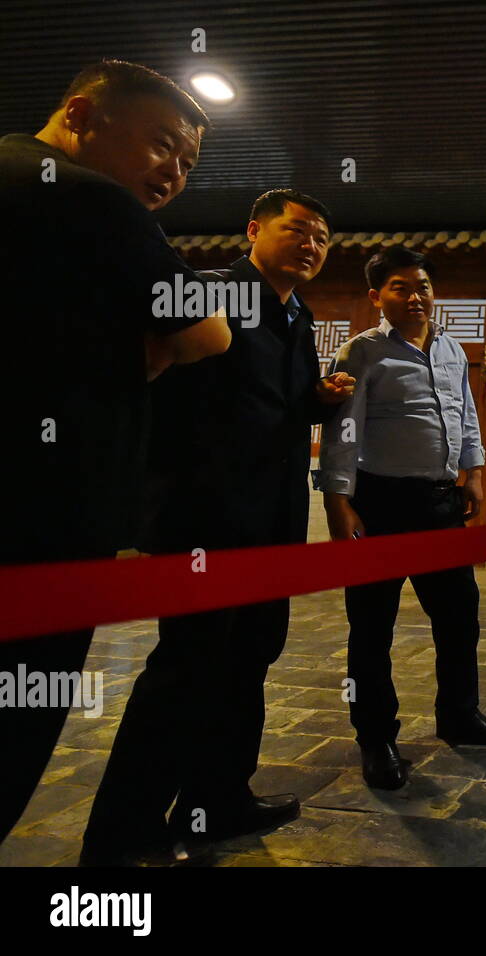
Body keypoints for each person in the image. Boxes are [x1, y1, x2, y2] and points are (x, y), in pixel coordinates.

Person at [80, 189, 354, 865]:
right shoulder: (206, 294)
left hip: (273, 523)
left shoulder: (299, 313)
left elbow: (275, 411)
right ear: (255, 229)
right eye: (298, 230)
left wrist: (317, 402)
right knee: (186, 668)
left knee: (250, 660)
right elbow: (155, 396)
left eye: (322, 237)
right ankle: (123, 830)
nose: (312, 244)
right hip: (207, 523)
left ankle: (218, 800)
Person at [0, 60, 230, 848]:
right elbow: (210, 331)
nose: (173, 173)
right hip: (42, 529)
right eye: (163, 146)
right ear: (82, 115)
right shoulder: (89, 198)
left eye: (188, 165)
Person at [320, 247, 486, 792]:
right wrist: (338, 501)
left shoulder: (451, 348)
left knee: (459, 616)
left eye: (423, 285)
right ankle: (376, 738)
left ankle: (459, 715)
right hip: (378, 504)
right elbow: (342, 431)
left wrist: (473, 473)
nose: (415, 295)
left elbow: (466, 413)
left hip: (438, 504)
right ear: (376, 296)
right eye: (400, 286)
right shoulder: (361, 351)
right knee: (372, 627)